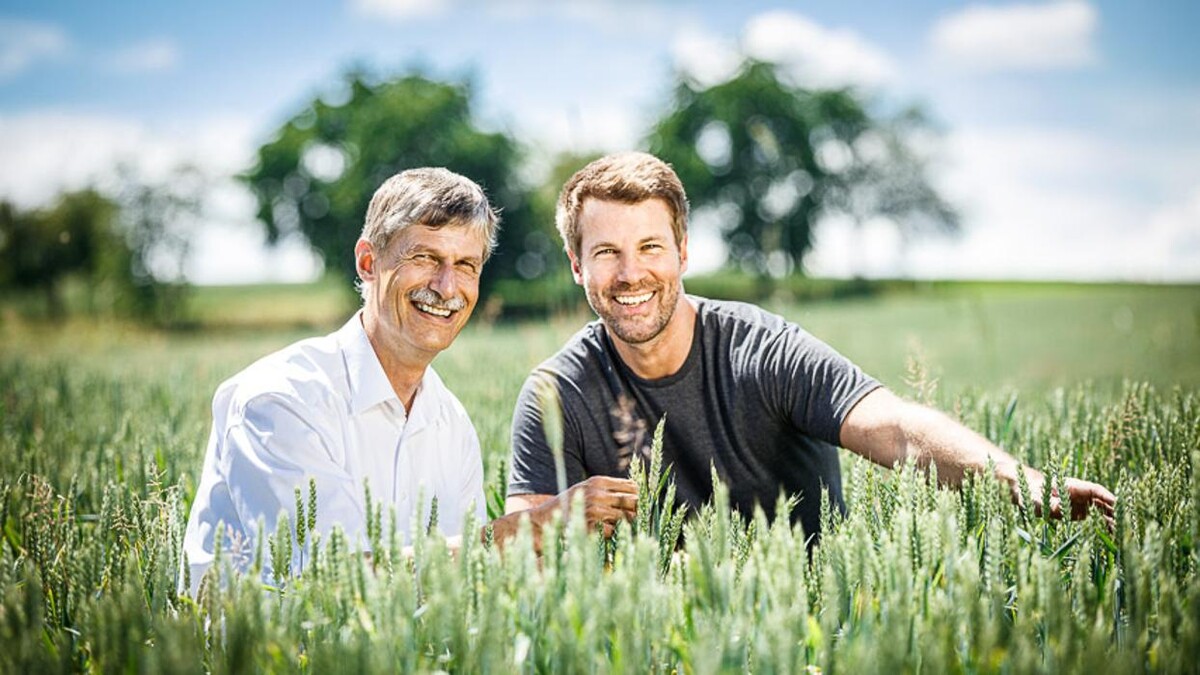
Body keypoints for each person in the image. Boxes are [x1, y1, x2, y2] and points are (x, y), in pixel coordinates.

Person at [505, 152, 1115, 544]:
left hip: (814, 625)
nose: (631, 273)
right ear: (576, 266)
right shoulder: (555, 393)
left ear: (684, 252)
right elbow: (521, 541)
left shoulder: (762, 349)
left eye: (651, 248)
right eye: (606, 252)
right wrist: (549, 520)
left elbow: (894, 427)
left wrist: (1021, 481)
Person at [182, 167, 627, 593]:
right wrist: (531, 528)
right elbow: (333, 584)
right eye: (424, 257)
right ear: (368, 261)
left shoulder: (451, 424)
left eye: (466, 265)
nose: (447, 286)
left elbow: (459, 580)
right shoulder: (280, 400)